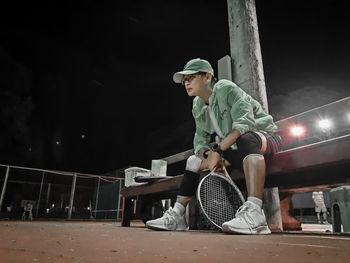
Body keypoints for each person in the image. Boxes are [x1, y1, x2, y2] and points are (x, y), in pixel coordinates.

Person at [146, 58, 282, 234]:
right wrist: (207, 156)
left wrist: (217, 151)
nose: (186, 83)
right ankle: (177, 216)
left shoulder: (225, 87)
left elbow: (245, 124)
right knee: (193, 161)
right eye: (184, 80)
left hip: (264, 138)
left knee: (246, 139)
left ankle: (256, 214)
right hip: (233, 148)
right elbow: (200, 140)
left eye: (191, 77)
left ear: (208, 76)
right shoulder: (197, 105)